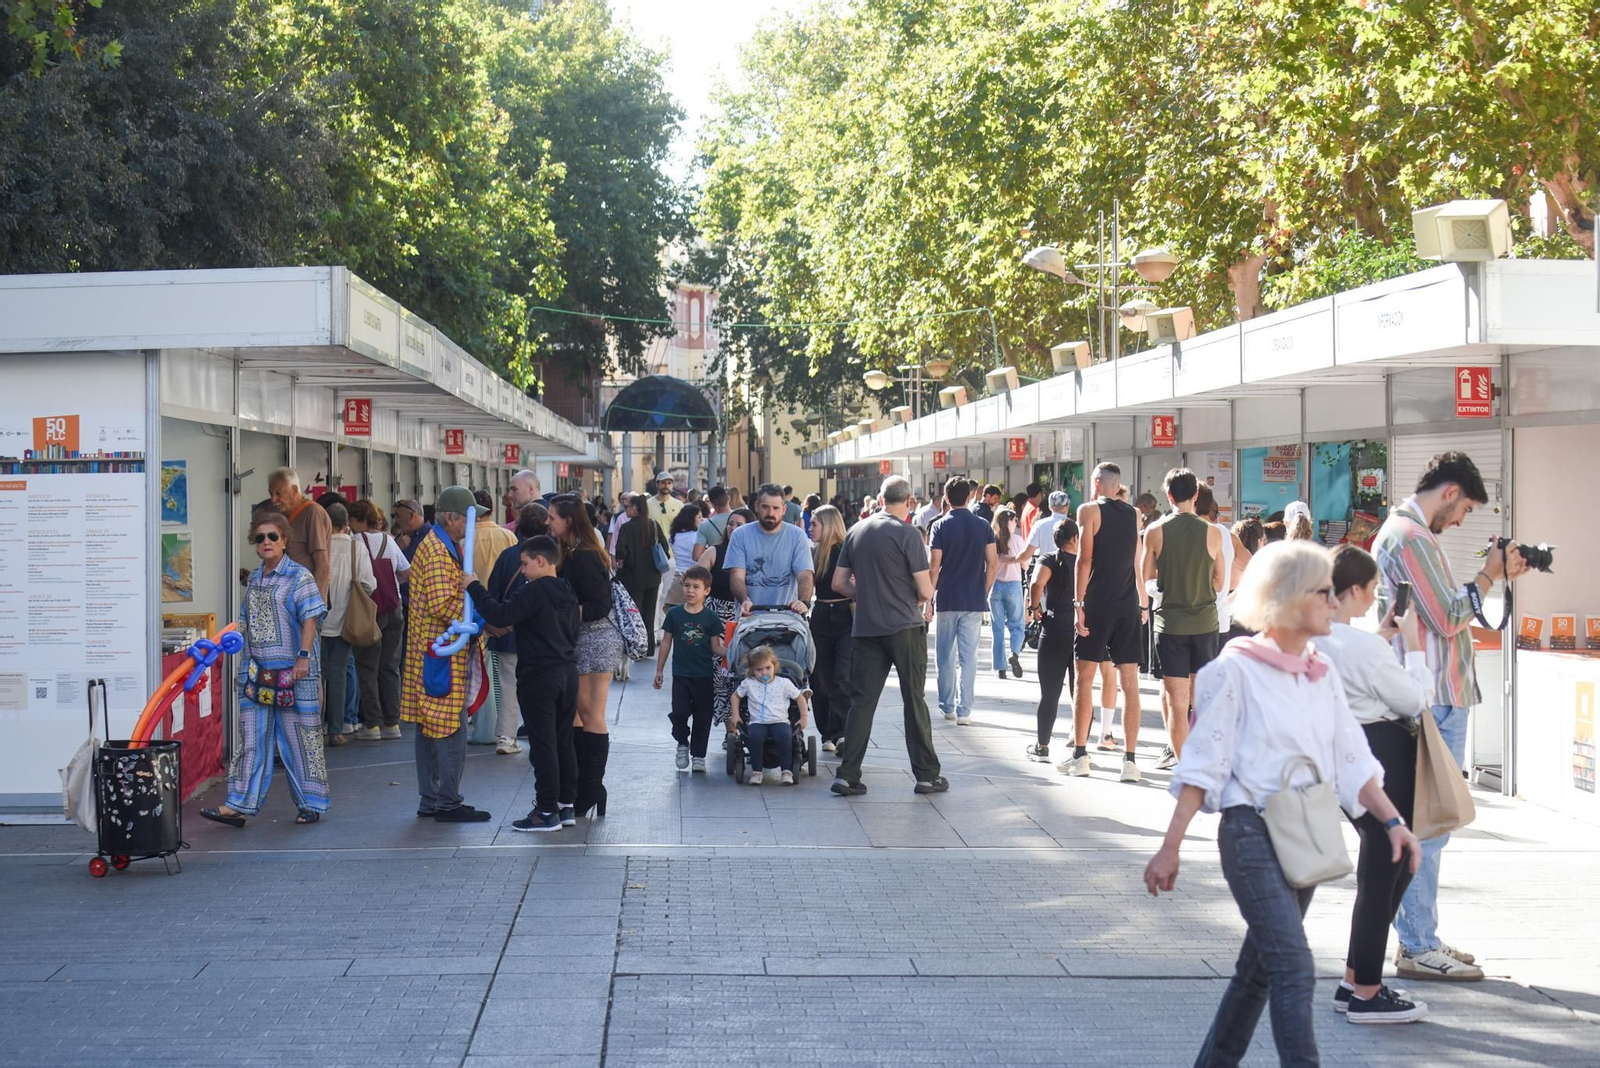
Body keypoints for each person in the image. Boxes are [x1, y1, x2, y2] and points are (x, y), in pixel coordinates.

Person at [1143, 541, 1423, 1060]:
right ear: (1292, 598)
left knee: (1258, 975)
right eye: (1323, 593)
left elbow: (1352, 759)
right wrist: (1170, 847)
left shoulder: (1320, 672)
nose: (1334, 605)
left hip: (1306, 832)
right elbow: (1204, 763)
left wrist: (1393, 822)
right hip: (1250, 832)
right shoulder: (1235, 670)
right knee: (1293, 965)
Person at [1374, 451, 1525, 982]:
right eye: (1464, 512)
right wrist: (1488, 575)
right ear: (1451, 493)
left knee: (1425, 823)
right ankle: (1417, 944)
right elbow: (1447, 617)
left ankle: (1420, 936)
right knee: (1429, 825)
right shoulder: (1411, 537)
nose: (1462, 522)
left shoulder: (1405, 533)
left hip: (1428, 693)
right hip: (1432, 695)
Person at [1322, 544, 1432, 1021]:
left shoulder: (1317, 638)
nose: (1373, 601)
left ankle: (1356, 979)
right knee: (1392, 862)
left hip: (1343, 761)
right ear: (1352, 589)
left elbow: (1358, 660)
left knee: (1382, 864)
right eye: (1369, 591)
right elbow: (1413, 700)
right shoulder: (1361, 646)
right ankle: (1365, 987)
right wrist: (1416, 647)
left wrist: (1381, 638)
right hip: (1382, 754)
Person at [201, 511, 330, 828]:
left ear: (285, 540)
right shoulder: (256, 579)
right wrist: (244, 668)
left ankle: (310, 803)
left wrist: (303, 658)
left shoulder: (300, 577)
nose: (267, 542)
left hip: (296, 674)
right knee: (250, 738)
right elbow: (248, 625)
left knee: (301, 739)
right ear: (254, 544)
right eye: (260, 538)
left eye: (273, 536)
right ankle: (239, 804)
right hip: (257, 673)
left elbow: (310, 619)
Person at [830, 476, 944, 797]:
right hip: (905, 627)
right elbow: (923, 590)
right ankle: (926, 775)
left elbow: (839, 583)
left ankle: (847, 774)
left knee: (861, 704)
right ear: (908, 501)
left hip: (866, 627)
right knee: (914, 700)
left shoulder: (857, 530)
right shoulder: (908, 534)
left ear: (880, 499)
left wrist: (865, 594)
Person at [463, 535, 580, 833]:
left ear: (541, 561)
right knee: (564, 742)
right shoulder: (566, 589)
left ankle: (544, 811)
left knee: (543, 746)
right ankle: (566, 805)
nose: (524, 571)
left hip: (539, 675)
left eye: (526, 564)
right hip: (567, 672)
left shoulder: (534, 591)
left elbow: (500, 614)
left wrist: (473, 586)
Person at [400, 487, 493, 822]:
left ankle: (433, 799)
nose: (473, 522)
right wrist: (482, 616)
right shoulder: (439, 551)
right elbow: (443, 604)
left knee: (430, 729)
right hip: (441, 654)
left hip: (436, 652)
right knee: (448, 728)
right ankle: (447, 801)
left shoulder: (443, 545)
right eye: (469, 515)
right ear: (452, 517)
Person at [1065, 462, 1146, 783]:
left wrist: (1078, 604)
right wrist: (1142, 601)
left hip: (1097, 603)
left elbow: (1084, 559)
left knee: (1084, 678)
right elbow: (1137, 560)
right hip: (1127, 604)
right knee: (1130, 683)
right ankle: (1130, 761)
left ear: (1097, 482)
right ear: (1118, 485)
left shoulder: (1088, 510)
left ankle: (1081, 754)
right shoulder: (1134, 514)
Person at [1141, 469, 1225, 764]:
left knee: (1177, 703)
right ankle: (1204, 761)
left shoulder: (1155, 531)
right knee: (1201, 700)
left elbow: (1146, 578)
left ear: (1169, 495)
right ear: (1197, 495)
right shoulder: (1213, 532)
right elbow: (1219, 581)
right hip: (1205, 624)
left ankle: (1185, 765)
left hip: (1170, 625)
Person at [551, 496, 619, 820]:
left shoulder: (586, 556)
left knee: (591, 715)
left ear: (569, 521)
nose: (548, 522)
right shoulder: (573, 552)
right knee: (577, 715)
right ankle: (581, 789)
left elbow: (599, 605)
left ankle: (590, 789)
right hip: (580, 639)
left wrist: (562, 611)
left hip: (593, 639)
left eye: (553, 517)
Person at [927, 477, 997, 725]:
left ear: (946, 499)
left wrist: (928, 600)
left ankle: (947, 706)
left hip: (946, 597)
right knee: (969, 656)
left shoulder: (939, 526)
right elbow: (993, 563)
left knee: (945, 655)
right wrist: (984, 590)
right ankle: (964, 709)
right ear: (969, 497)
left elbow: (934, 567)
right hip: (973, 599)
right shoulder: (983, 525)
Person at [482, 502, 550, 733]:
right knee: (541, 688)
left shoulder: (508, 555)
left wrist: (494, 622)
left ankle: (505, 736)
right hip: (542, 637)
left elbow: (493, 591)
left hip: (508, 633)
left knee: (508, 686)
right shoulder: (550, 558)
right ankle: (539, 731)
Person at [348, 499, 409, 741]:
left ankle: (372, 724)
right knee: (390, 667)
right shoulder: (389, 540)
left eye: (352, 521)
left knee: (367, 667)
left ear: (360, 520)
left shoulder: (356, 542)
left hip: (368, 611)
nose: (350, 526)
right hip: (394, 609)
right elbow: (406, 572)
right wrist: (391, 586)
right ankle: (393, 722)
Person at [656, 565, 724, 774]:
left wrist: (731, 652)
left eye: (696, 587)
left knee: (703, 716)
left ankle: (698, 756)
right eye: (687, 586)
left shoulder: (711, 617)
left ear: (707, 591)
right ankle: (682, 742)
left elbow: (715, 647)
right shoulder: (675, 614)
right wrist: (659, 670)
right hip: (681, 675)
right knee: (679, 712)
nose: (690, 590)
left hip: (704, 675)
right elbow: (666, 642)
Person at [320, 501, 376, 748]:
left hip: (317, 621)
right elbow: (368, 584)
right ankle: (336, 729)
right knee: (339, 674)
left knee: (316, 676)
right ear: (346, 524)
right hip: (346, 621)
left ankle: (313, 727)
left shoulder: (319, 548)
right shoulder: (357, 549)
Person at [468, 489, 520, 755]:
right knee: (503, 675)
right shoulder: (507, 536)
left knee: (479, 671)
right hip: (502, 612)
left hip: (472, 612)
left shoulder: (465, 537)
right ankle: (500, 727)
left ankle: (483, 726)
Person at [1026, 518, 1079, 763]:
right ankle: (1080, 748)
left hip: (1055, 627)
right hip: (1081, 629)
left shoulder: (1049, 559)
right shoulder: (1085, 562)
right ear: (1076, 539)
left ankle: (1043, 745)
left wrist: (1035, 607)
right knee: (1081, 690)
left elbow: (1037, 583)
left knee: (1050, 692)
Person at [726, 483, 815, 616]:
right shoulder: (740, 535)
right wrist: (744, 600)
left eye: (776, 508)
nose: (770, 513)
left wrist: (804, 602)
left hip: (788, 620)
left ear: (784, 509)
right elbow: (736, 576)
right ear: (756, 507)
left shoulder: (797, 536)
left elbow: (805, 574)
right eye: (765, 507)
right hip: (749, 618)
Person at [808, 504, 853, 751]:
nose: (810, 527)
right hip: (821, 615)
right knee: (820, 678)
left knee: (842, 676)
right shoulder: (813, 553)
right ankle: (827, 732)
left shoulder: (847, 551)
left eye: (815, 523)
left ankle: (840, 732)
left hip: (846, 614)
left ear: (828, 525)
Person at [705, 507, 755, 733]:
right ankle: (730, 730)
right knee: (723, 677)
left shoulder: (753, 552)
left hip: (747, 618)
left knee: (748, 672)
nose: (732, 528)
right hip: (718, 620)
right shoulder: (715, 551)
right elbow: (696, 579)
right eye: (730, 524)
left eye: (739, 525)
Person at [730, 645, 810, 785]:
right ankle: (757, 771)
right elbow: (735, 696)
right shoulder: (749, 683)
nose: (764, 672)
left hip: (779, 720)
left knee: (785, 736)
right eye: (759, 670)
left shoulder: (784, 683)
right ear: (752, 670)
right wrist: (735, 715)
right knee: (754, 736)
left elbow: (799, 698)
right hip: (757, 722)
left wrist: (803, 717)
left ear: (774, 666)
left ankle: (786, 770)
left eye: (768, 668)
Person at [613, 494, 668, 656]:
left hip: (631, 578)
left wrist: (624, 562)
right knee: (649, 613)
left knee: (634, 614)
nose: (626, 510)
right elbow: (665, 548)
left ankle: (636, 646)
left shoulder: (626, 528)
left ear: (635, 508)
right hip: (653, 577)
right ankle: (649, 648)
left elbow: (620, 552)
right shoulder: (654, 525)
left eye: (628, 507)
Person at [267, 467, 332, 599]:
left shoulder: (312, 513)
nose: (273, 499)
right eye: (271, 493)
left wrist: (314, 608)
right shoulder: (281, 517)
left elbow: (322, 566)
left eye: (279, 493)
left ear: (295, 490)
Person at [990, 507, 1029, 681]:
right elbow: (1025, 565)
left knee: (997, 628)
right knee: (1017, 624)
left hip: (995, 586)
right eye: (1014, 520)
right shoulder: (1018, 540)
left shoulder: (991, 540)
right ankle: (1014, 653)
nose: (1016, 523)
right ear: (1009, 522)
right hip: (1013, 585)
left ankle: (1000, 667)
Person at [662, 504, 703, 611]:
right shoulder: (698, 535)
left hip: (677, 577)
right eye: (699, 517)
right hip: (695, 576)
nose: (701, 519)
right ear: (691, 518)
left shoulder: (673, 536)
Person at [1027, 490, 1072, 561]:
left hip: (1046, 568)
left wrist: (1011, 559)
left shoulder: (1039, 525)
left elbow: (1028, 552)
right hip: (1068, 569)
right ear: (1067, 506)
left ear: (1049, 506)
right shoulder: (1074, 525)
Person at [648, 471, 683, 542]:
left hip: (673, 548)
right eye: (663, 483)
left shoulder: (679, 505)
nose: (666, 486)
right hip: (653, 547)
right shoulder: (647, 504)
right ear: (657, 484)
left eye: (669, 483)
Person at [697, 485, 733, 550]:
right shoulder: (741, 518)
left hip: (716, 559)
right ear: (728, 498)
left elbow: (696, 556)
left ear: (712, 504)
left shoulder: (705, 525)